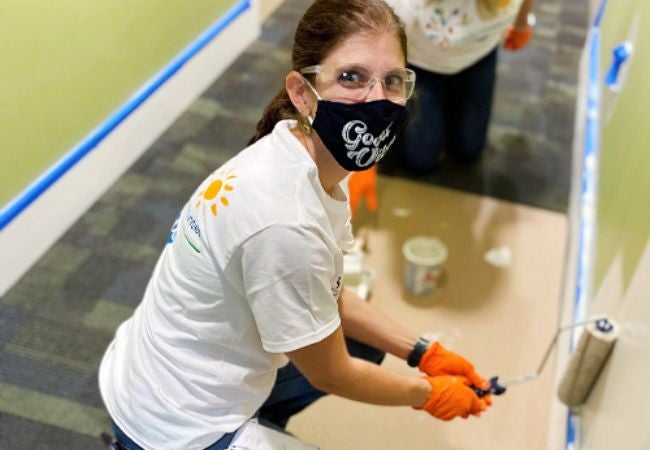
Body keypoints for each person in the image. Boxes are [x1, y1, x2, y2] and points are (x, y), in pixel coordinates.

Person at [98, 1, 492, 449]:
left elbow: (330, 292)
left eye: (393, 80)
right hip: (175, 423)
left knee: (365, 346)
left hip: (163, 365)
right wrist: (426, 393)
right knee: (346, 358)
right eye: (351, 77)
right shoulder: (286, 221)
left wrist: (423, 353)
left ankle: (258, 419)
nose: (377, 100)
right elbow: (332, 372)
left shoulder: (297, 156)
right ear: (303, 93)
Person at [383, 0, 535, 174]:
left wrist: (522, 23)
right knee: (419, 160)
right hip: (419, 62)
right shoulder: (404, 7)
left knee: (469, 149)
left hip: (478, 54)